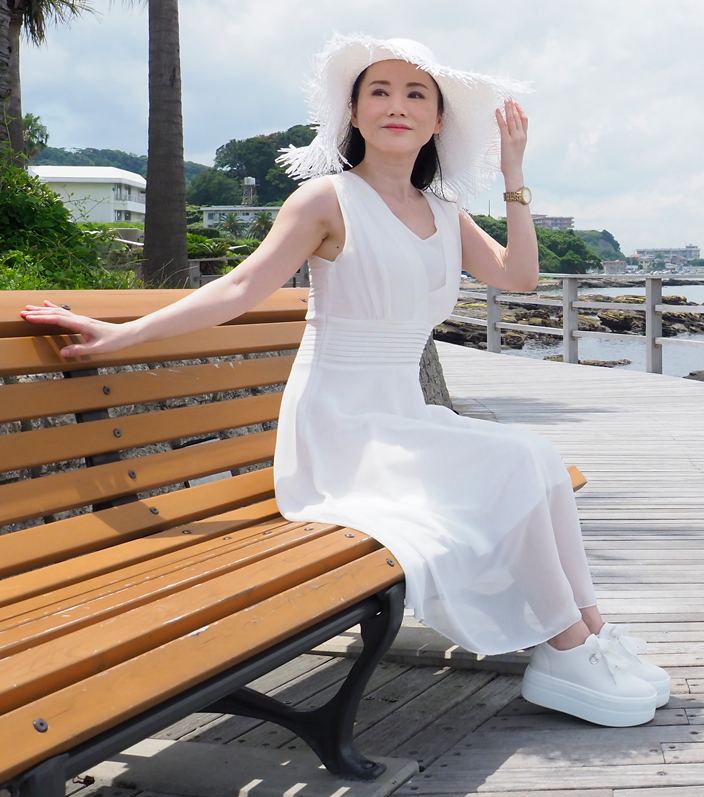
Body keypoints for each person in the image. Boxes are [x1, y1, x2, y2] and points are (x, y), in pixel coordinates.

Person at [19, 35, 667, 728]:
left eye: (416, 94)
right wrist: (121, 334)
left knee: (534, 458)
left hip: (403, 418)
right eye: (378, 92)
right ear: (353, 114)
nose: (397, 106)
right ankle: (567, 646)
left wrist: (513, 175)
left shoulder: (443, 212)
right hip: (340, 429)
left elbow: (520, 276)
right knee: (517, 460)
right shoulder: (324, 200)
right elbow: (238, 288)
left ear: (438, 121)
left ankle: (587, 636)